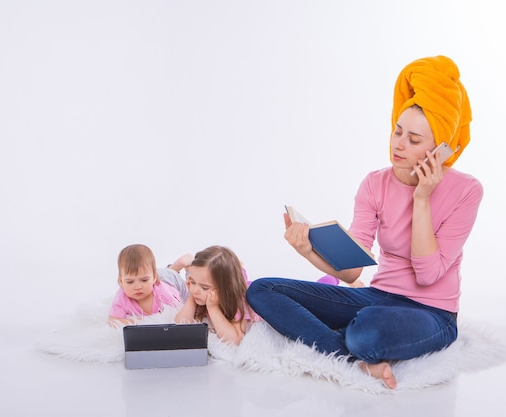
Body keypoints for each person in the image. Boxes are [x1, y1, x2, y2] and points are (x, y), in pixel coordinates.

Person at [246, 55, 483, 389]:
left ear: (439, 150)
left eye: (414, 140)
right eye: (397, 132)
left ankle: (345, 342)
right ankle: (352, 362)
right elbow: (353, 271)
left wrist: (422, 198)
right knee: (262, 290)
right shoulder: (375, 183)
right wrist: (307, 251)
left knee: (365, 330)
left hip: (433, 314)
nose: (399, 144)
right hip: (376, 296)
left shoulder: (466, 190)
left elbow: (428, 274)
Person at [175, 245, 260, 345]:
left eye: (204, 287)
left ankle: (240, 269)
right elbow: (179, 327)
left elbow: (235, 340)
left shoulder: (238, 299)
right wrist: (191, 298)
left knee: (239, 277)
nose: (195, 291)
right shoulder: (199, 292)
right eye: (192, 282)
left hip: (242, 288)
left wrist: (213, 308)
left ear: (224, 289)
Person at [109, 244, 192, 326]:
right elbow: (114, 321)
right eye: (130, 282)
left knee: (192, 291)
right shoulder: (121, 297)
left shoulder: (164, 294)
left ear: (154, 278)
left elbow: (181, 311)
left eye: (144, 280)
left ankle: (178, 266)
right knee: (148, 274)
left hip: (169, 279)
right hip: (153, 275)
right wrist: (139, 321)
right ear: (121, 281)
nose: (138, 287)